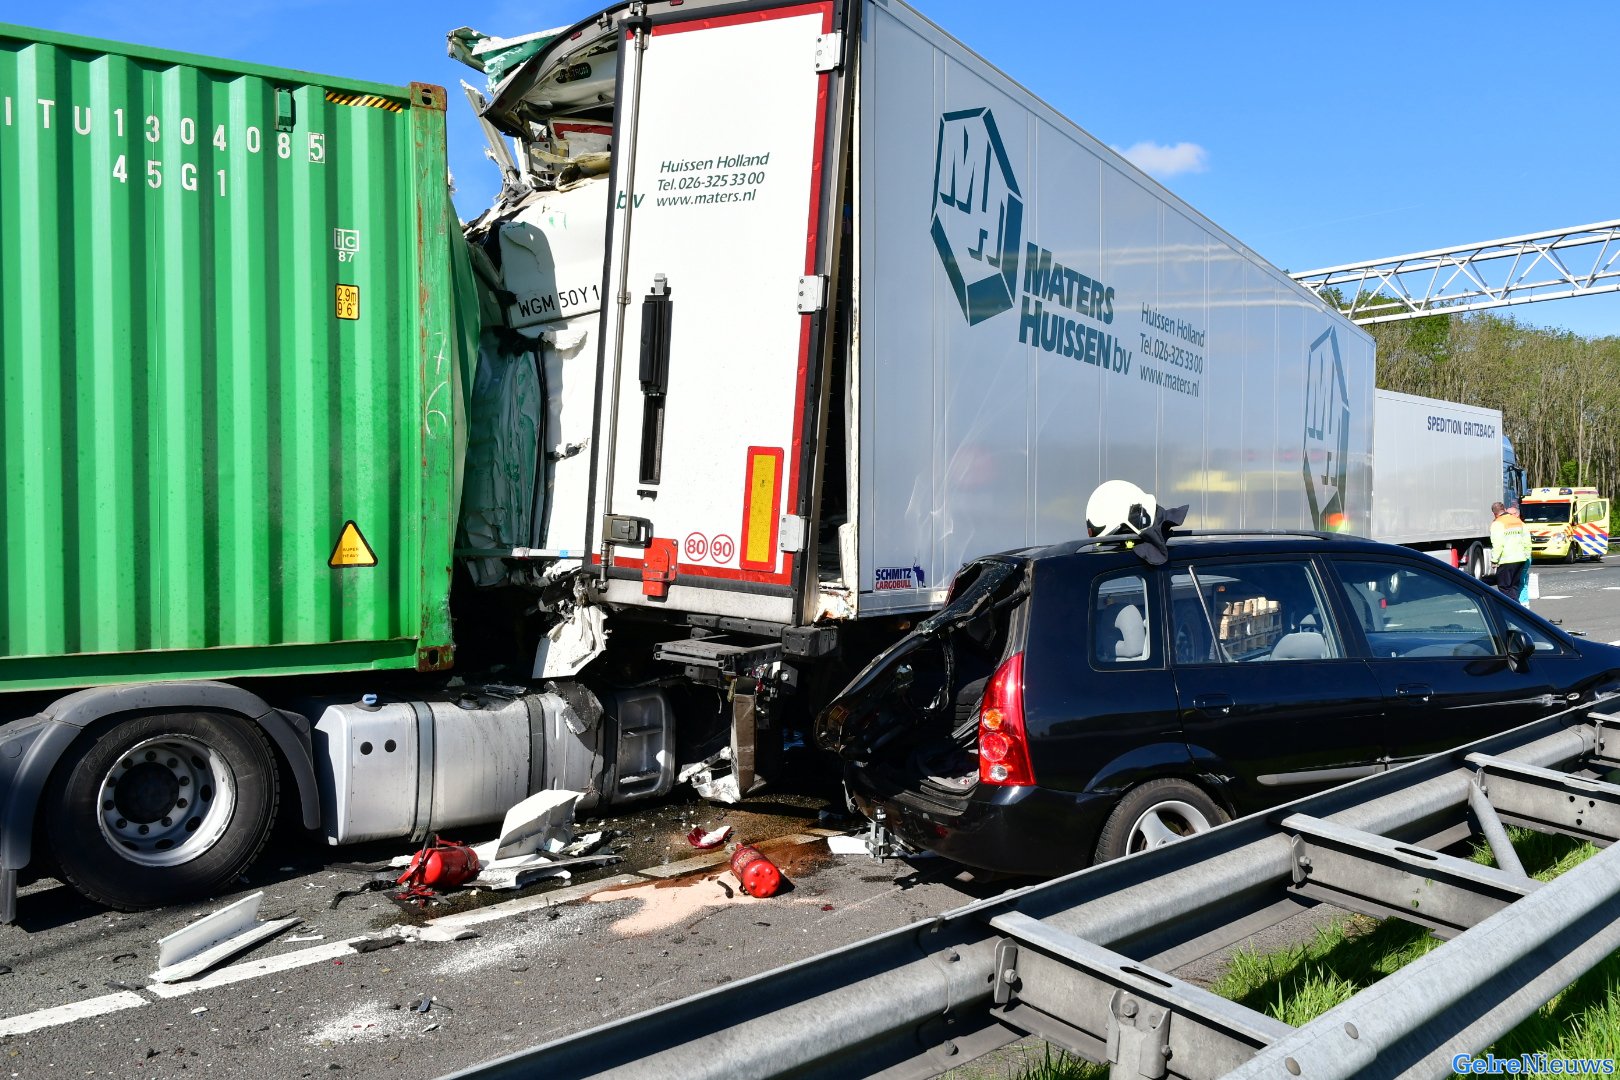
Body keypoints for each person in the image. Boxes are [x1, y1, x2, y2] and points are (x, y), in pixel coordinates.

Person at [1490, 501, 1531, 600]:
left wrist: (1494, 560)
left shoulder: (1497, 523)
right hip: (1520, 558)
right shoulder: (1517, 521)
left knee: (1504, 587)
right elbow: (1527, 539)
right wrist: (1527, 555)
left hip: (1506, 560)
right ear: (1504, 509)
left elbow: (1498, 544)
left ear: (1494, 513)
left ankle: (1514, 610)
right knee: (1514, 587)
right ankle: (1517, 608)